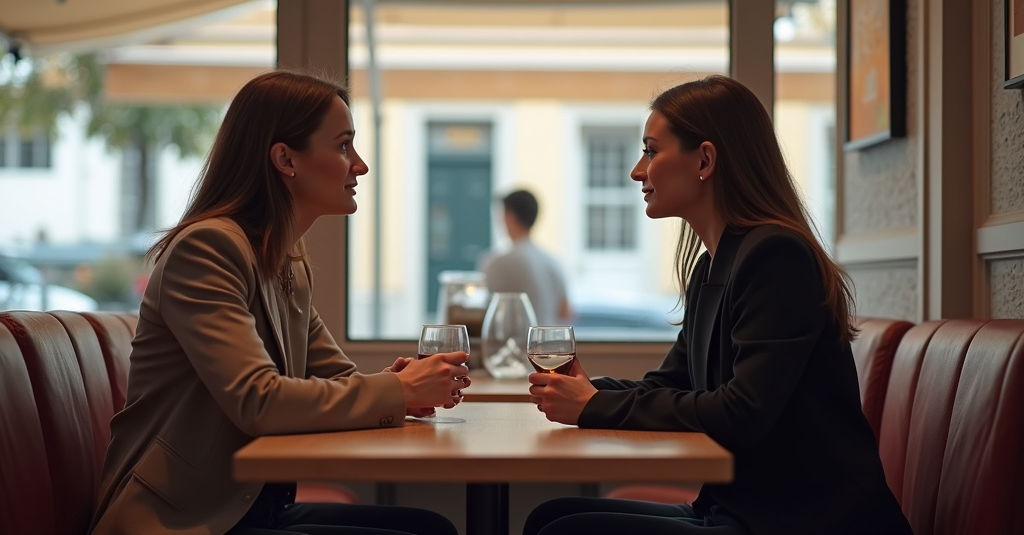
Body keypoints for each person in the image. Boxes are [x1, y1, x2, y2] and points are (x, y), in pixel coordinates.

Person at [523, 75, 913, 535]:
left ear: (705, 160)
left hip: (803, 521)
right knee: (549, 516)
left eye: (650, 151)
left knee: (562, 531)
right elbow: (672, 383)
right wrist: (587, 390)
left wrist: (594, 405)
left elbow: (742, 412)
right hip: (740, 510)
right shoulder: (713, 265)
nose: (637, 171)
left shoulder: (776, 257)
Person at [89, 70, 469, 535]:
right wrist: (399, 391)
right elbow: (259, 401)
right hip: (180, 520)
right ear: (285, 158)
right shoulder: (208, 249)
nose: (360, 166)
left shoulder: (287, 261)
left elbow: (338, 380)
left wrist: (400, 383)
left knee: (430, 528)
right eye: (343, 146)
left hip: (248, 508)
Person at [478, 189, 570, 325]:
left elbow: (482, 310)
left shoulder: (495, 263)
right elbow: (565, 312)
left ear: (510, 218)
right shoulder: (553, 263)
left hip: (509, 338)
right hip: (546, 337)